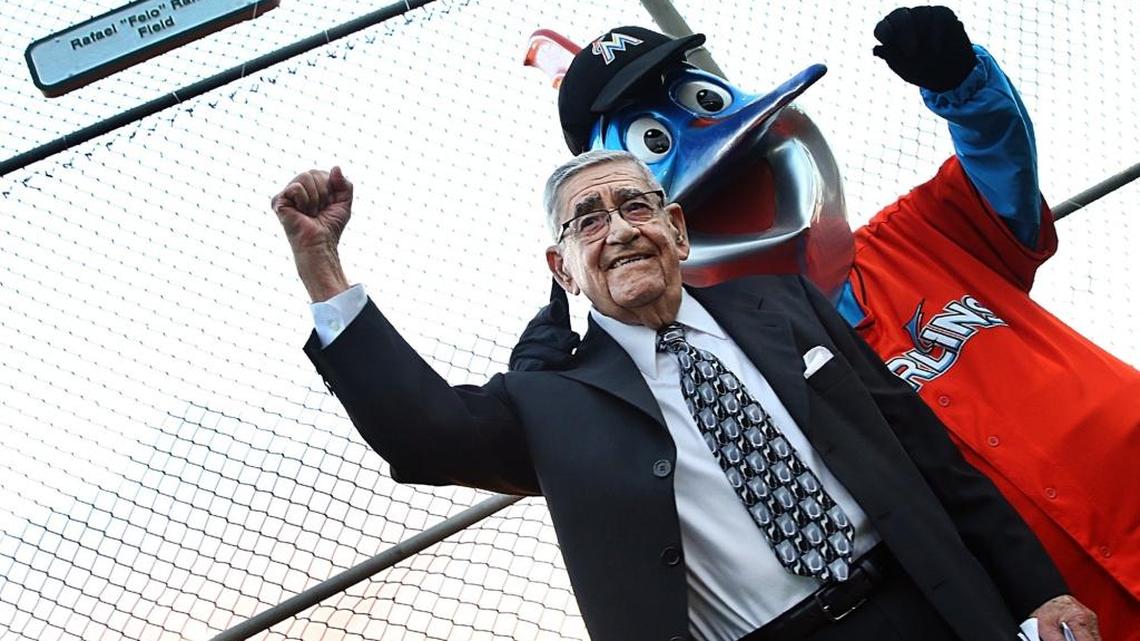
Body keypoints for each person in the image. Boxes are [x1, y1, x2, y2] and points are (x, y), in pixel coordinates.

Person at [271, 150, 1099, 641]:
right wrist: (324, 272)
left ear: (677, 228)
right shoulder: (553, 402)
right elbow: (423, 435)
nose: (620, 227)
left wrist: (1040, 589)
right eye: (587, 220)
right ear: (562, 267)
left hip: (934, 604)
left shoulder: (784, 305)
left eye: (636, 205)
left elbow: (932, 457)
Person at [511, 8, 1140, 636]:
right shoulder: (697, 395)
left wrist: (962, 84)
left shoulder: (912, 235)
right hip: (1031, 608)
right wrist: (545, 399)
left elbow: (1001, 169)